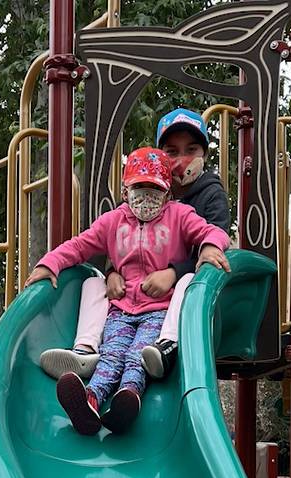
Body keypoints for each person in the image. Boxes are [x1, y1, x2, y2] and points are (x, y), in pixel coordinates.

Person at [25, 147, 230, 435]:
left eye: (154, 191)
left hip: (158, 310)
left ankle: (129, 398)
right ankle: (90, 399)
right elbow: (79, 246)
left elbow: (215, 231)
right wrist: (50, 264)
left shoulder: (180, 216)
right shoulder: (114, 221)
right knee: (112, 353)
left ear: (168, 194)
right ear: (125, 191)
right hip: (121, 308)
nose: (146, 199)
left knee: (138, 355)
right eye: (139, 190)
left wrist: (210, 246)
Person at [40, 108, 230, 380]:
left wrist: (176, 272)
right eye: (172, 152)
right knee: (92, 282)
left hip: (176, 298)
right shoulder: (131, 207)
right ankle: (85, 349)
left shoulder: (206, 197)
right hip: (132, 298)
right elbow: (107, 244)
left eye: (191, 149)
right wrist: (109, 272)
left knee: (189, 280)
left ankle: (168, 344)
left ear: (204, 155)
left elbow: (215, 235)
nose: (182, 159)